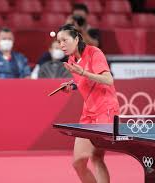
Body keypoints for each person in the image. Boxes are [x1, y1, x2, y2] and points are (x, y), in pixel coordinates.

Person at [56, 24, 119, 183]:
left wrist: (82, 72)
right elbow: (85, 81)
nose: (61, 45)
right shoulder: (71, 60)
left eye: (65, 40)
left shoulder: (94, 52)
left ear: (76, 39)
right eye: (59, 41)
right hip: (88, 112)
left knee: (96, 157)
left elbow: (108, 79)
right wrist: (73, 85)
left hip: (105, 109)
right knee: (78, 163)